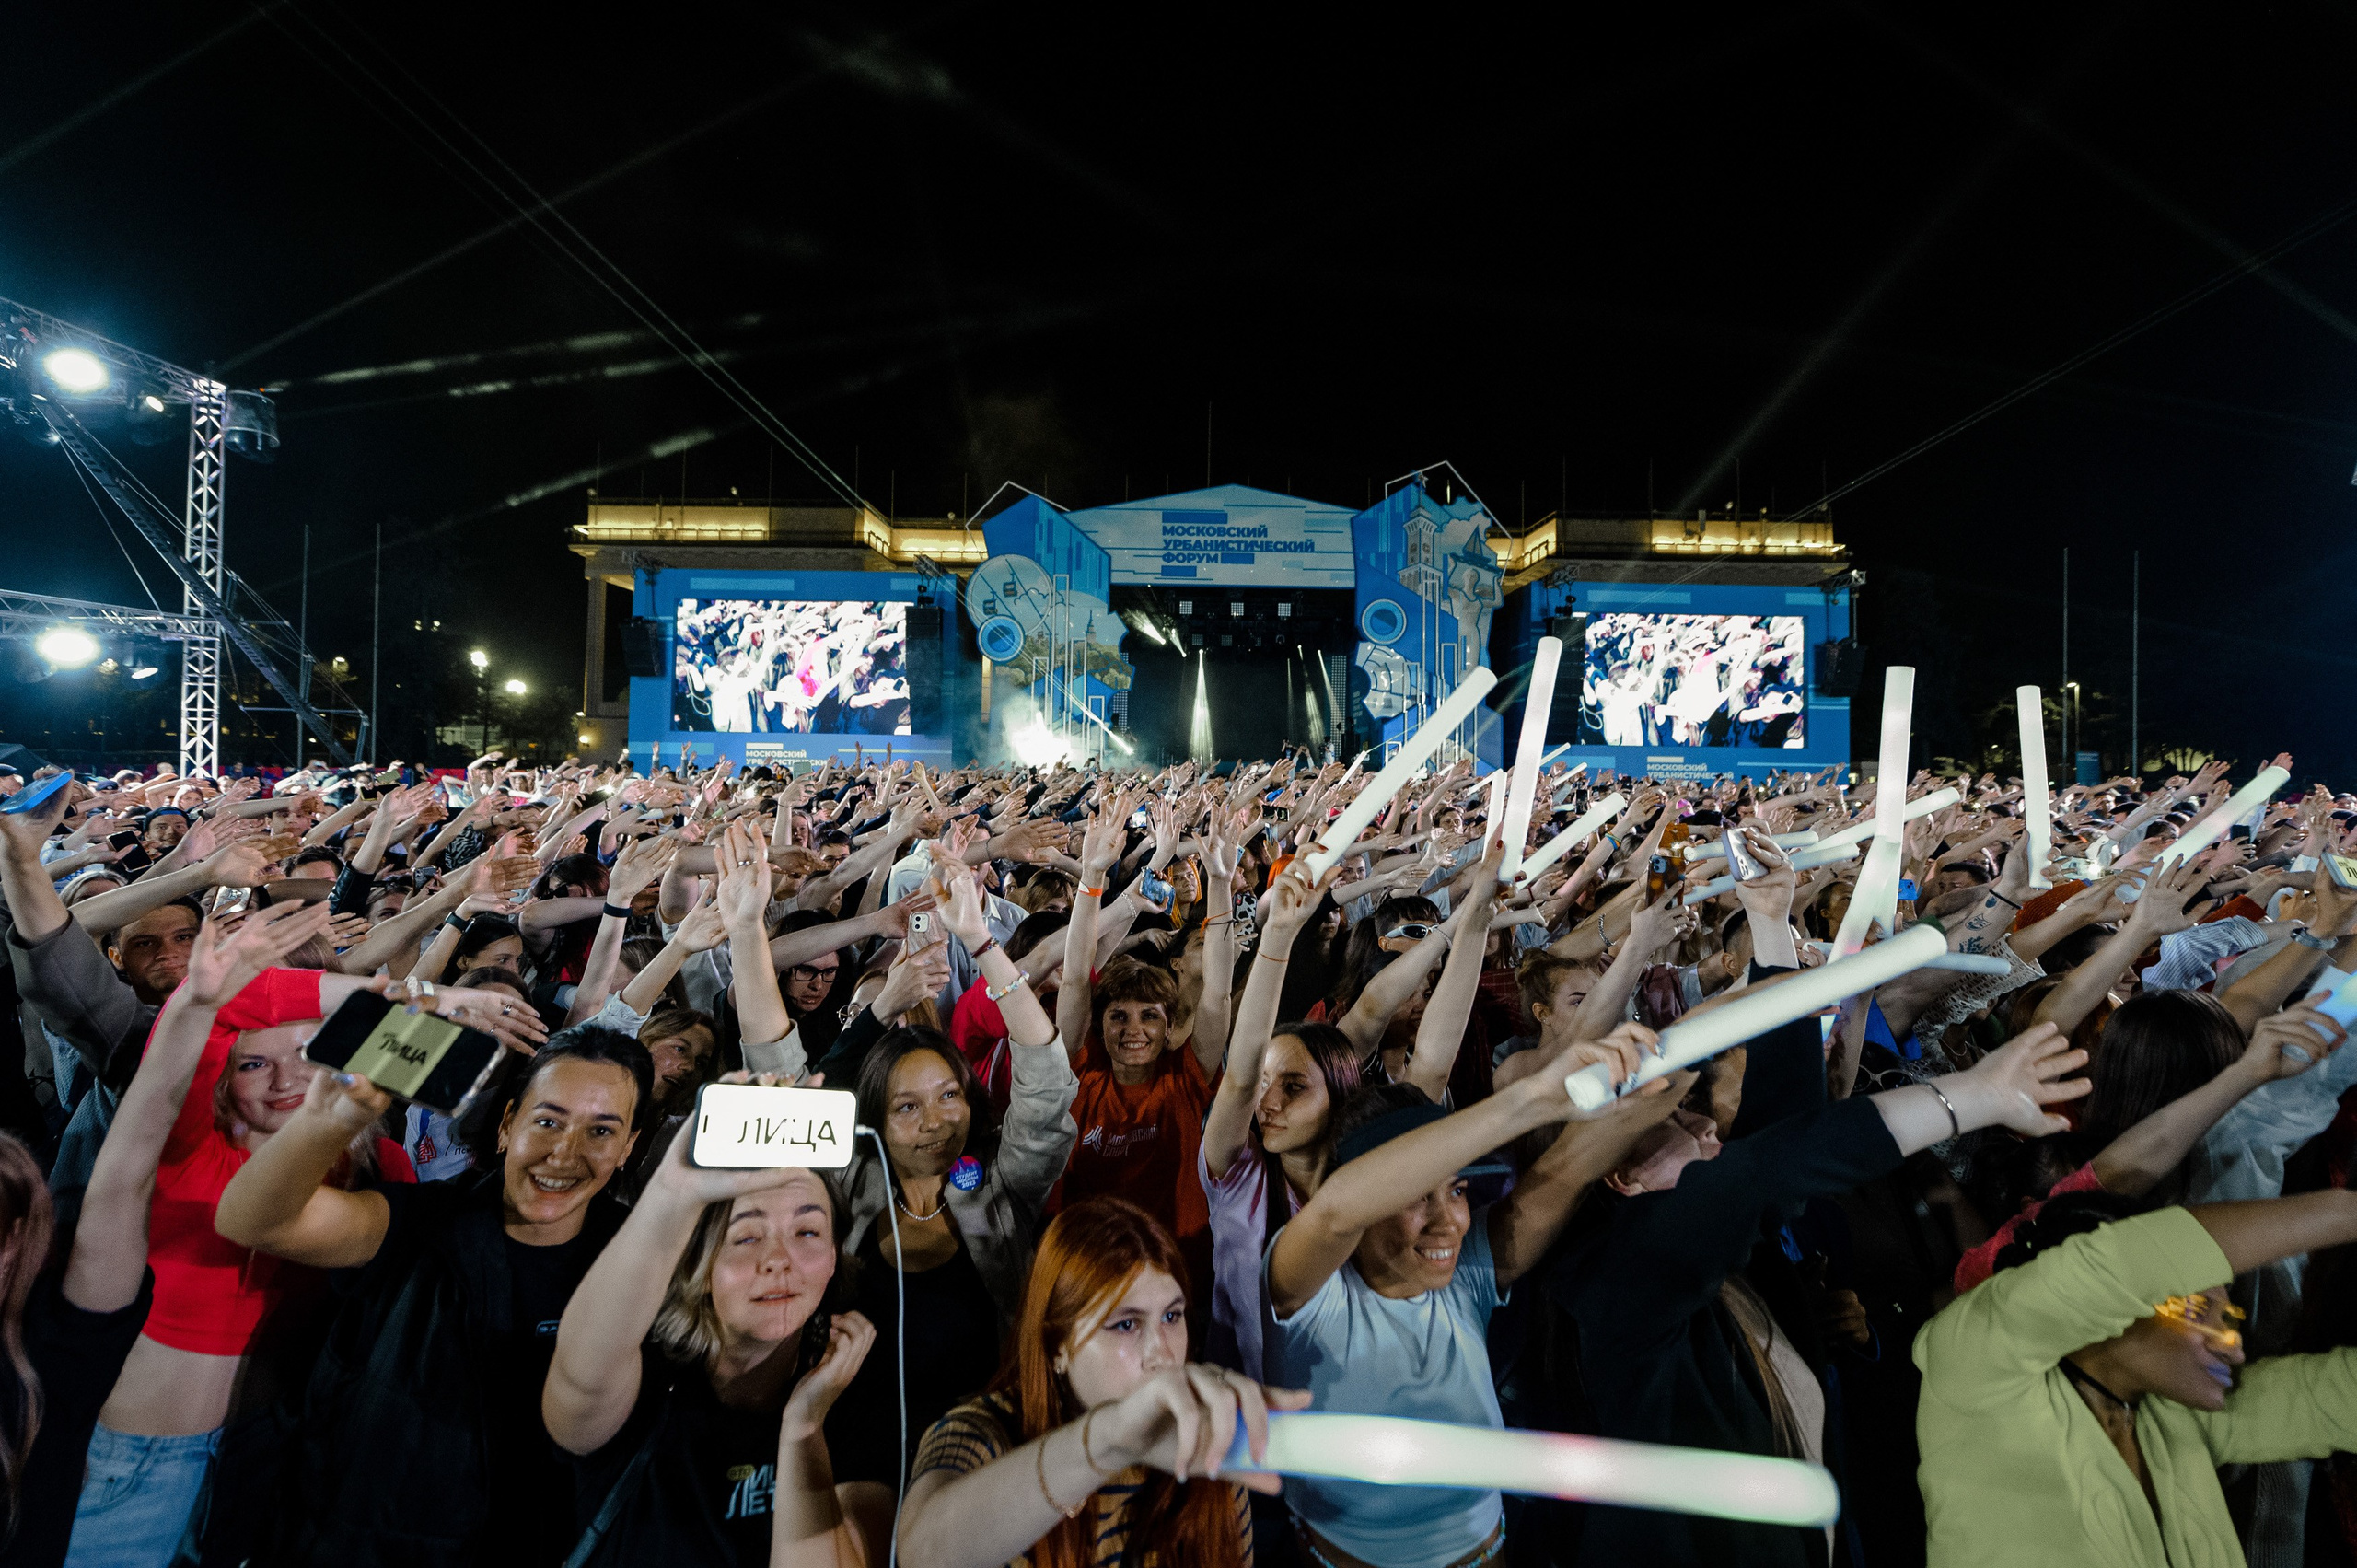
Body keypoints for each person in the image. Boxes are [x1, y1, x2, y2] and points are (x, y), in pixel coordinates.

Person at [210, 1023, 648, 1567]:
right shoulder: (423, 1220)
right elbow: (253, 1221)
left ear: (629, 1147)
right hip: (362, 1542)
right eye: (547, 1121)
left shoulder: (646, 1265)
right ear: (508, 1124)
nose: (564, 1152)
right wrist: (331, 1122)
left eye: (601, 1132)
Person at [0, 905, 319, 1567]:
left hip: (253, 1453)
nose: (286, 1078)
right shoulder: (179, 1151)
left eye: (307, 1052)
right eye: (255, 1060)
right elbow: (132, 1143)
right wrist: (197, 1000)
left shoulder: (360, 1163)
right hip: (129, 1462)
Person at [1916, 1181, 2357, 1568]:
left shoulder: (2175, 1418)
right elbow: (2117, 1264)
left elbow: (2334, 1395)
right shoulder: (1976, 1367)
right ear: (2116, 1308)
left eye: (2232, 1318)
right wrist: (2347, 1211)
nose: (2234, 1346)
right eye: (2199, 1311)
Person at [826, 848, 1077, 1515]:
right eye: (908, 1106)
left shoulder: (997, 1191)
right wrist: (883, 1007)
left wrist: (980, 941)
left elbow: (1046, 1083)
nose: (937, 1121)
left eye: (950, 1096)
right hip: (857, 1471)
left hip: (990, 1466)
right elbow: (800, 1090)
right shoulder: (842, 1189)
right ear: (875, 1117)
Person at [541, 1082, 877, 1567]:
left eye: (807, 1231)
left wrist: (804, 1427)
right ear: (700, 1269)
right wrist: (674, 1193)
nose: (778, 1260)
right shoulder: (648, 1379)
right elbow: (578, 1380)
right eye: (745, 1237)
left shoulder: (859, 1394)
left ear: (833, 1260)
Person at [897, 1196, 1302, 1568]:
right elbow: (921, 1554)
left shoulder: (1209, 1444)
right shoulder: (984, 1433)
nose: (1161, 1353)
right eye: (1125, 1324)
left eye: (1172, 1316)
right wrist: (1111, 1440)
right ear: (1057, 1347)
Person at [1199, 858, 1362, 1379]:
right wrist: (1278, 938)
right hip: (1247, 1409)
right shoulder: (1236, 1174)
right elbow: (1242, 1076)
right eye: (1266, 1085)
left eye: (1293, 1087)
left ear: (1338, 1096)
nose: (1267, 1104)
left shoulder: (1367, 1181)